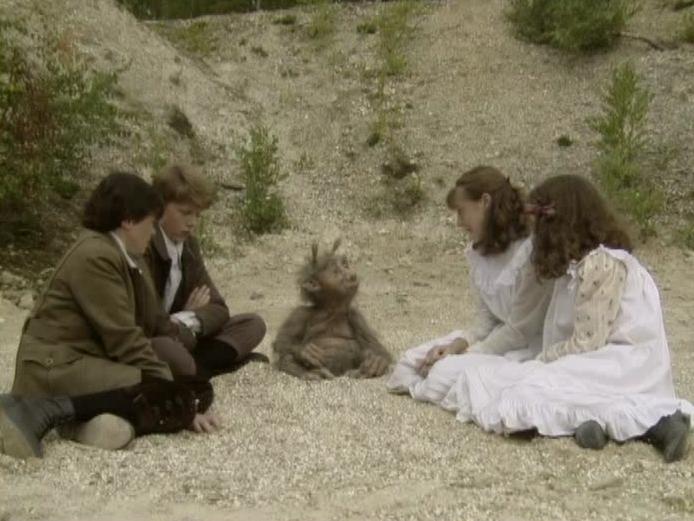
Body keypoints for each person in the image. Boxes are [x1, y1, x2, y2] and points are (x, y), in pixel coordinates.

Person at [440, 175, 693, 462]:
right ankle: (594, 424)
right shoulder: (576, 266)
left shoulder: (602, 264)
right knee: (513, 382)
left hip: (621, 361)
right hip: (593, 360)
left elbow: (587, 343)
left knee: (527, 386)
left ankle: (662, 422)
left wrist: (541, 361)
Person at [1, 171, 217, 459]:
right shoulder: (95, 256)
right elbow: (124, 340)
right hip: (53, 367)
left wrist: (182, 388)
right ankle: (38, 409)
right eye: (150, 223)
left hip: (84, 359)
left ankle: (75, 422)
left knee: (198, 391)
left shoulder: (124, 255)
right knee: (169, 395)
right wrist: (173, 394)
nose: (154, 232)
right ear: (128, 220)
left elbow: (152, 321)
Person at [387, 166, 552, 403]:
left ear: (484, 202)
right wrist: (457, 345)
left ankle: (438, 382)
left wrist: (468, 354)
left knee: (444, 373)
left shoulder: (528, 253)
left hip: (529, 346)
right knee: (411, 360)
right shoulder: (480, 254)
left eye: (461, 212)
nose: (459, 223)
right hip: (498, 339)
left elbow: (519, 331)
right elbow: (487, 319)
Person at [145, 164, 267, 378]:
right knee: (165, 347)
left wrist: (186, 319)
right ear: (160, 206)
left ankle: (197, 367)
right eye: (185, 213)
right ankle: (209, 367)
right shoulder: (145, 243)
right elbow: (149, 318)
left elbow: (218, 308)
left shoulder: (188, 245)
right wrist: (184, 319)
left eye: (198, 215)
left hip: (181, 335)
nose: (192, 223)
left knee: (253, 324)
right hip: (156, 340)